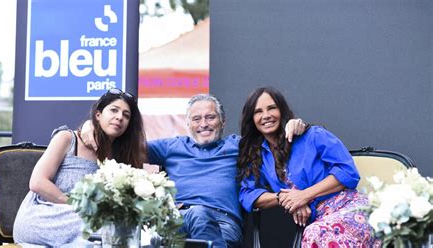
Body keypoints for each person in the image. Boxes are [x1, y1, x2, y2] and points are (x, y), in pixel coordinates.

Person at [145, 94, 306, 247]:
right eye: (196, 119)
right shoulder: (172, 146)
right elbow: (131, 149)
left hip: (222, 223)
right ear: (188, 124)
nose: (203, 124)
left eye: (210, 117)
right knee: (149, 228)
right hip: (175, 220)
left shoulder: (239, 145)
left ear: (223, 122)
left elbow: (275, 140)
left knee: (198, 214)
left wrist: (293, 126)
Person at [237, 86, 381, 247]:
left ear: (282, 110)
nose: (266, 116)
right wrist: (285, 198)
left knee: (316, 234)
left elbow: (348, 172)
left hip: (351, 208)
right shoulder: (257, 154)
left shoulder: (312, 135)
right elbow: (247, 194)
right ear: (252, 118)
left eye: (272, 108)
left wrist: (304, 195)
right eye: (258, 111)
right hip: (319, 220)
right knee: (316, 233)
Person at [13, 89, 146, 246]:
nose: (119, 117)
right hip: (45, 215)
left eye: (126, 115)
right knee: (106, 225)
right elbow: (37, 182)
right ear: (98, 115)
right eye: (114, 110)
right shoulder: (68, 138)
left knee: (124, 224)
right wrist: (78, 207)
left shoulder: (122, 157)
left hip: (89, 220)